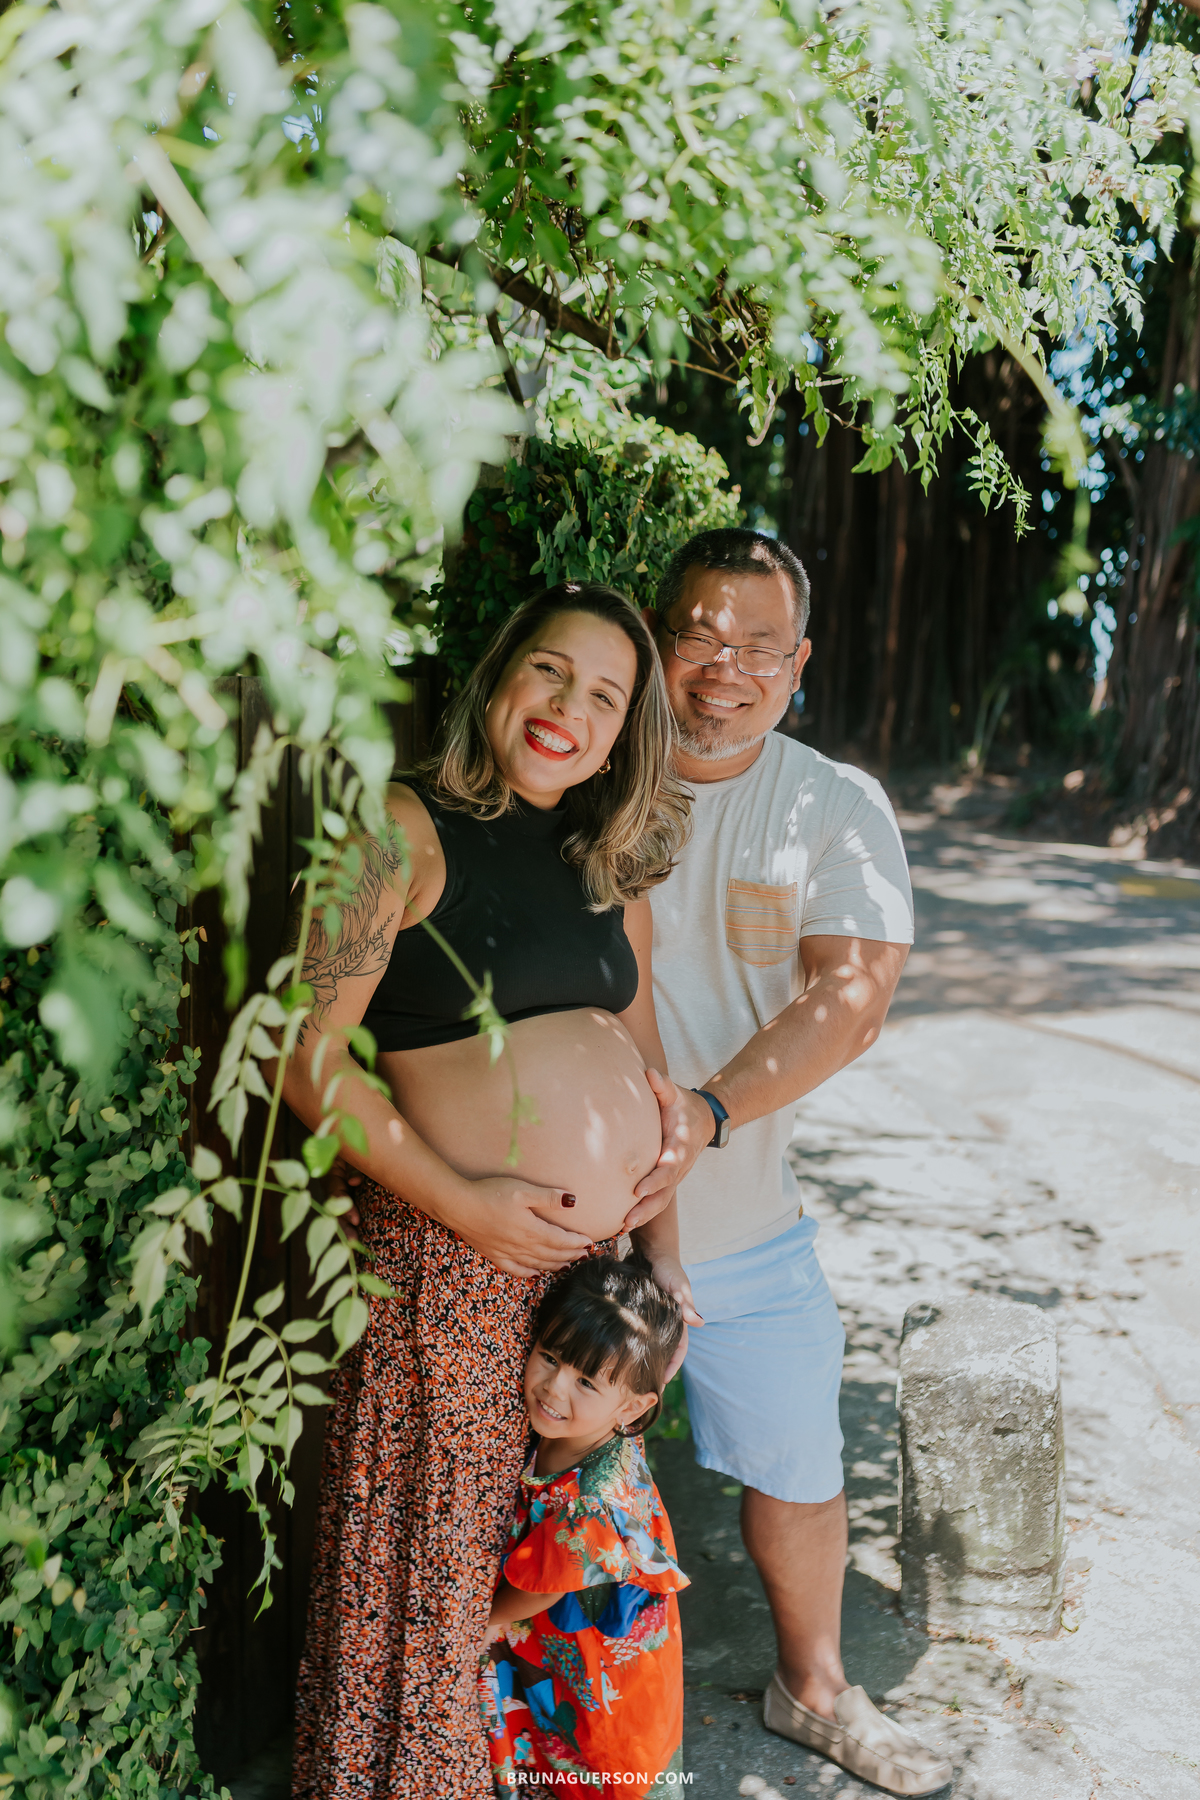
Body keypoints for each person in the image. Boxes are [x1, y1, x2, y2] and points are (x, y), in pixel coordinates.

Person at [282, 583, 701, 1800]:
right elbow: (304, 1059)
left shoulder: (610, 862)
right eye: (551, 673)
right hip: (450, 1263)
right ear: (500, 675)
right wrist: (465, 1205)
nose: (569, 709)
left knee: (544, 1582)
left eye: (606, 696)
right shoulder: (398, 832)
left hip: (589, 1294)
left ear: (627, 732)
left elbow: (654, 1076)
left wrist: (662, 1262)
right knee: (430, 1573)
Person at [627, 527, 953, 1797]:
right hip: (574, 1215)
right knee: (525, 1458)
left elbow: (853, 997)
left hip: (744, 1220)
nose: (727, 667)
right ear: (659, 643)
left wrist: (705, 1114)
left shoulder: (831, 804)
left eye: (759, 644)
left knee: (802, 1469)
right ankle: (510, 1700)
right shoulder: (595, 767)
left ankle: (812, 1687)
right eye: (701, 635)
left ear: (799, 661)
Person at [478, 1257, 689, 1796]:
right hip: (575, 1661)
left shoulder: (592, 1501)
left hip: (607, 1686)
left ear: (633, 1407)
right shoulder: (584, 1435)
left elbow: (535, 1591)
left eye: (586, 1381)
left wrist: (478, 1624)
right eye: (548, 1356)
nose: (553, 1388)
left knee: (602, 1773)